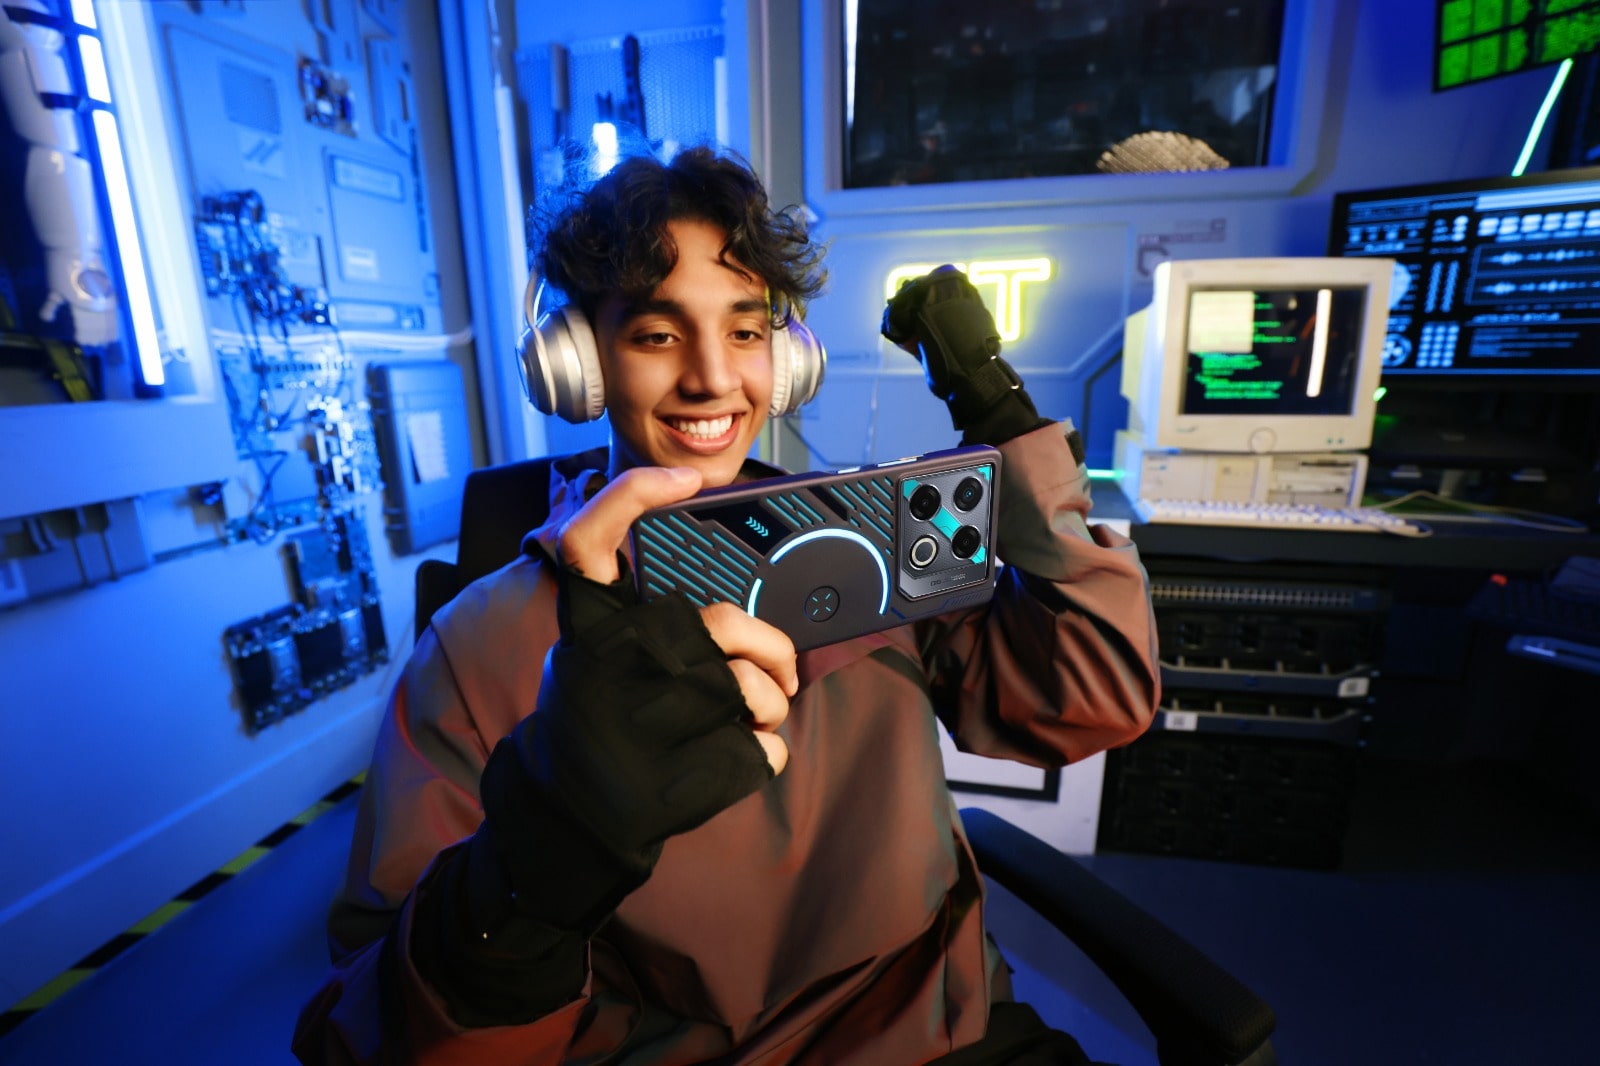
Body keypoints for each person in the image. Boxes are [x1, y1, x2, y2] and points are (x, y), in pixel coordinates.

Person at [293, 144, 1159, 1065]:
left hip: (935, 1035)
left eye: (746, 331)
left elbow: (1093, 695)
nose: (713, 378)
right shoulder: (480, 645)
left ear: (786, 359)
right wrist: (535, 869)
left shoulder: (872, 537)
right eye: (658, 335)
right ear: (576, 364)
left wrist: (1001, 412)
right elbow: (388, 1027)